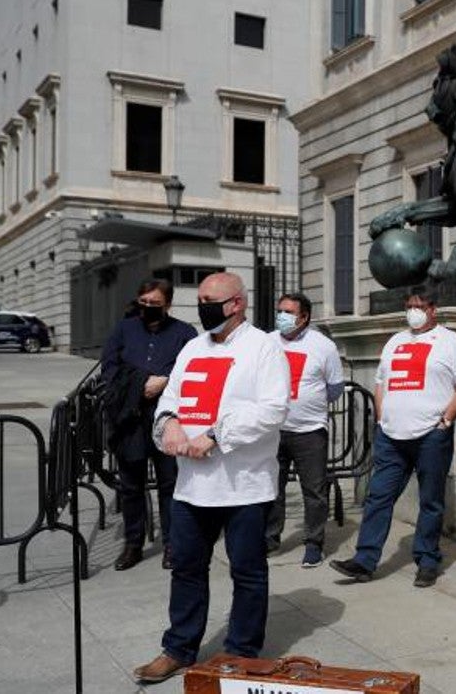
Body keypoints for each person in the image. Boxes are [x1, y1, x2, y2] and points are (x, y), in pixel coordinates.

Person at [133, 272, 290, 684]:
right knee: (186, 566)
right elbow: (171, 398)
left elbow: (273, 409)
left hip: (243, 483)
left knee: (248, 570)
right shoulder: (190, 348)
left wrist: (217, 436)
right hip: (192, 485)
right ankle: (178, 647)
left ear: (237, 304)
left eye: (210, 299)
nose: (202, 306)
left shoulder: (265, 348)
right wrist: (167, 424)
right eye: (199, 298)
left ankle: (241, 652)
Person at [331, 286, 456, 586]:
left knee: (431, 500)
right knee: (378, 497)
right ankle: (364, 560)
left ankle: (427, 560)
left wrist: (446, 421)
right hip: (391, 436)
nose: (413, 311)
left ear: (433, 309)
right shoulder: (395, 341)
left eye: (419, 306)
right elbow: (381, 381)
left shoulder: (450, 342)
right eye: (409, 305)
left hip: (430, 437)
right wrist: (381, 418)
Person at [100, 278, 197, 572]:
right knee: (131, 486)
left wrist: (165, 380)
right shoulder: (124, 329)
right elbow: (109, 368)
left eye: (154, 304)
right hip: (129, 420)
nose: (148, 309)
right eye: (143, 303)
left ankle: (172, 544)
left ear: (167, 304)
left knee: (170, 484)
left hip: (168, 420)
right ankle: (133, 544)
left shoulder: (184, 333)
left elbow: (191, 369)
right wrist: (140, 383)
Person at [265, 292, 345, 567]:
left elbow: (334, 388)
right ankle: (270, 538)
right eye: (280, 311)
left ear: (304, 317)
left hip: (309, 430)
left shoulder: (323, 346)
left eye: (288, 312)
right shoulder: (266, 342)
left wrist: (308, 404)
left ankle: (313, 542)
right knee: (271, 488)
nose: (282, 317)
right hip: (272, 430)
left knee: (314, 490)